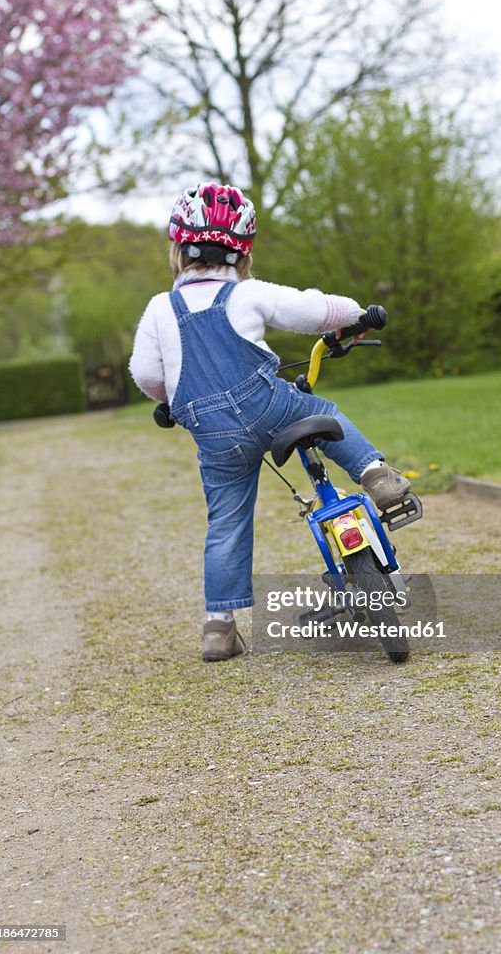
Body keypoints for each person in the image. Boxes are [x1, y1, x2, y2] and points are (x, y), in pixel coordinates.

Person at [130, 182, 411, 661]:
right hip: (267, 405)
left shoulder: (161, 308)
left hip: (213, 434)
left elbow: (147, 374)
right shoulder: (248, 293)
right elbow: (313, 309)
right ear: (242, 255)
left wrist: (168, 400)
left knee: (226, 522)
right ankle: (374, 474)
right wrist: (357, 313)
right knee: (324, 413)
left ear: (178, 250)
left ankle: (219, 627)